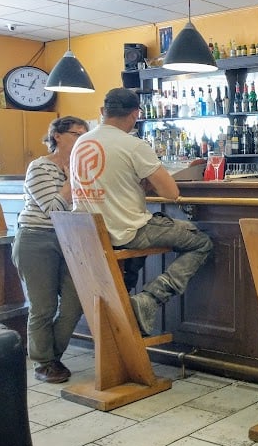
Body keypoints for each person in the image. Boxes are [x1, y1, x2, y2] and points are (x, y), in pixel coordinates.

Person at [70, 88, 213, 335]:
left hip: (91, 236)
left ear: (103, 112)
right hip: (126, 232)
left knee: (136, 253)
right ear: (136, 114)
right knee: (201, 242)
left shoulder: (82, 142)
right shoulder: (133, 145)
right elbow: (170, 192)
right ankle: (150, 298)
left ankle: (125, 312)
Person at [12, 116, 88, 383]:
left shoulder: (85, 168)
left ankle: (49, 356)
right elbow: (54, 209)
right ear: (57, 135)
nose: (81, 140)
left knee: (74, 303)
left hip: (72, 240)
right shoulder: (40, 167)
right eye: (77, 134)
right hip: (37, 239)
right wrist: (73, 178)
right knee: (43, 307)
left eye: (84, 135)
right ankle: (44, 363)